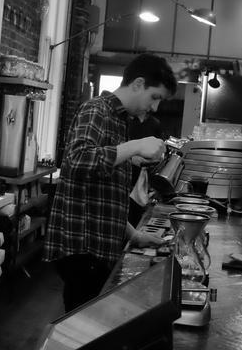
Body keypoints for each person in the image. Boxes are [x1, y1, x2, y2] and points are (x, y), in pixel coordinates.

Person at [44, 53, 177, 313]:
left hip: (97, 249)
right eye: (154, 97)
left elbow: (104, 198)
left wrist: (134, 235)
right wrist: (134, 146)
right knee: (83, 326)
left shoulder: (118, 120)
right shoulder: (96, 109)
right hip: (83, 251)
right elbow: (76, 160)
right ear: (138, 84)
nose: (154, 108)